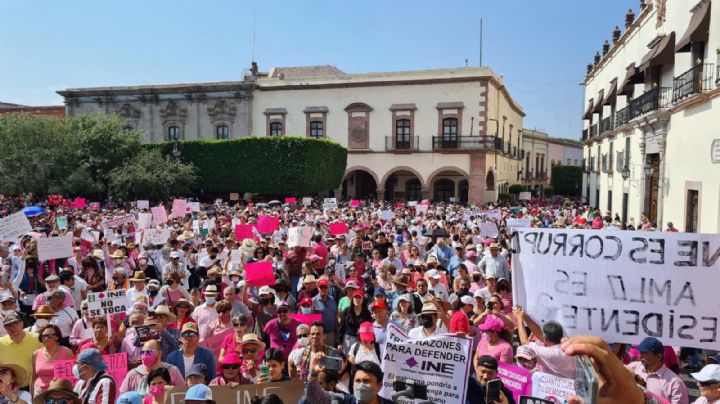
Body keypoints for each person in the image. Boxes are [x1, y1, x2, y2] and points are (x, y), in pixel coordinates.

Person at [514, 308, 576, 379]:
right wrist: (525, 317)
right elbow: (539, 333)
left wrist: (519, 318)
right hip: (568, 386)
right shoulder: (570, 347)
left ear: (545, 338)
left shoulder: (549, 353)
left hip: (554, 387)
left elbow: (524, 342)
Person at [627, 337, 688, 403]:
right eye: (640, 352)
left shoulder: (675, 383)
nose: (640, 355)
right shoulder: (633, 367)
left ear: (659, 356)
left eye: (645, 352)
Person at [304, 358, 393, 403]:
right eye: (357, 381)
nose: (361, 385)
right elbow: (314, 396)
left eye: (366, 381)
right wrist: (314, 373)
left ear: (379, 386)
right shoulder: (342, 400)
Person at [118, 339, 184, 397]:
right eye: (143, 352)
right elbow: (122, 398)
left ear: (159, 353)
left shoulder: (172, 371)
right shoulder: (133, 374)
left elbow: (182, 394)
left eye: (149, 352)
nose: (145, 355)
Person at [0, 312, 41, 388]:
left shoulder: (37, 339)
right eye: (8, 325)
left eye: (15, 324)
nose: (12, 328)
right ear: (5, 328)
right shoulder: (1, 343)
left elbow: (50, 357)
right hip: (8, 388)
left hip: (35, 385)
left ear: (22, 324)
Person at [32, 324, 73, 396]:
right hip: (39, 392)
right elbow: (33, 377)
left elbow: (67, 378)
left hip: (59, 393)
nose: (46, 338)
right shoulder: (36, 354)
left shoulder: (66, 352)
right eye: (43, 336)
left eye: (49, 335)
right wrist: (32, 395)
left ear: (57, 337)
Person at [312, 278, 338, 347]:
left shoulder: (332, 299)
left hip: (331, 334)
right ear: (318, 288)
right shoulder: (313, 301)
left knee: (330, 355)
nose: (323, 289)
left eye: (325, 287)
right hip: (319, 335)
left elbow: (335, 315)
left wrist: (336, 332)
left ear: (328, 288)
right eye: (321, 287)